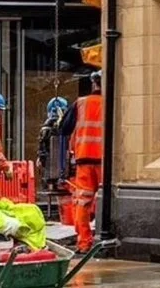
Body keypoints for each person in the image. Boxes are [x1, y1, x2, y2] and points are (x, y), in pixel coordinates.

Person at [61, 71, 103, 253]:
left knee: (83, 202)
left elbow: (63, 128)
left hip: (84, 159)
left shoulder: (80, 103)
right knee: (105, 200)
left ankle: (84, 243)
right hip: (105, 161)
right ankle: (104, 239)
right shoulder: (114, 103)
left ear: (94, 84)